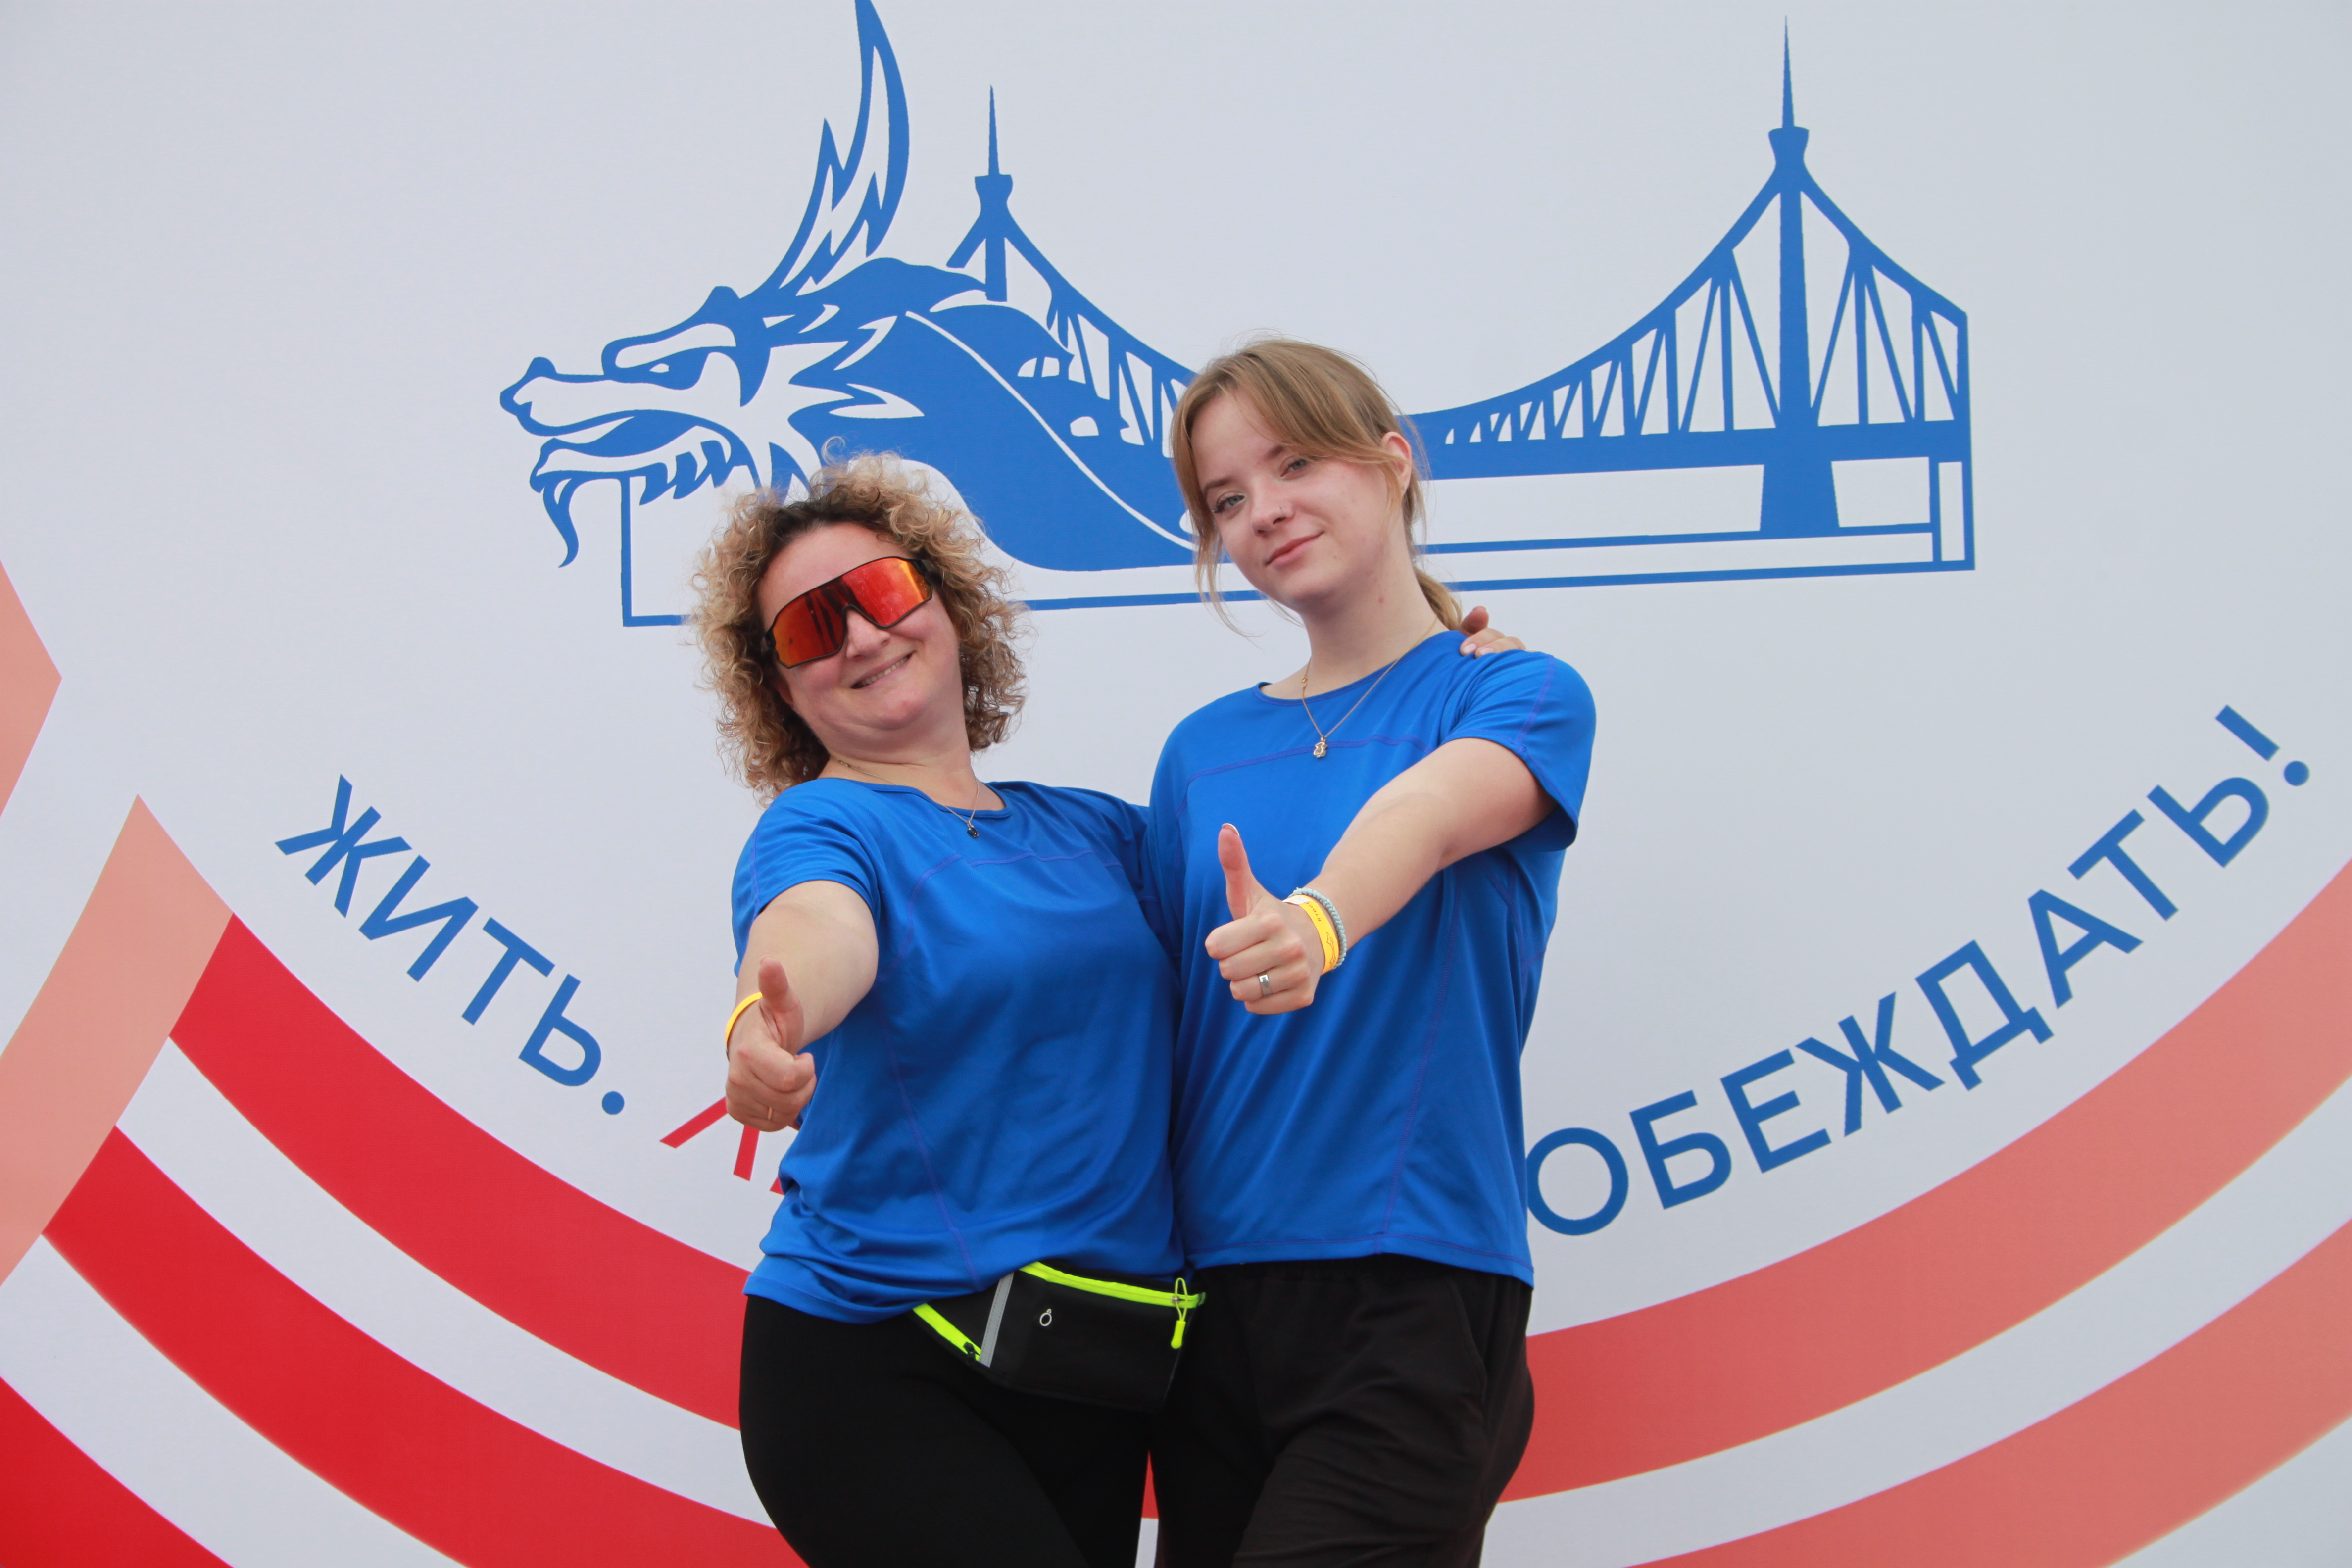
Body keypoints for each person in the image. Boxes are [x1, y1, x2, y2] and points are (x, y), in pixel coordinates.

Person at [699, 453, 1526, 1566]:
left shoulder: (1100, 835)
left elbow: (1317, 833)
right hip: (883, 1361)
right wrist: (765, 1024)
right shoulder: (822, 829)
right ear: (779, 688)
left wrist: (1442, 679)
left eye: (883, 592)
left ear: (948, 606)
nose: (858, 636)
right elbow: (812, 930)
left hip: (1089, 1374)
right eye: (809, 628)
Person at [1145, 340, 1598, 1567]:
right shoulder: (1200, 753)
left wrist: (1318, 921)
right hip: (1205, 1303)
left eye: (1295, 463)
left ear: (1393, 462)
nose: (1264, 510)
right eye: (1227, 498)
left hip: (1411, 1287)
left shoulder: (1513, 692)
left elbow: (1430, 812)